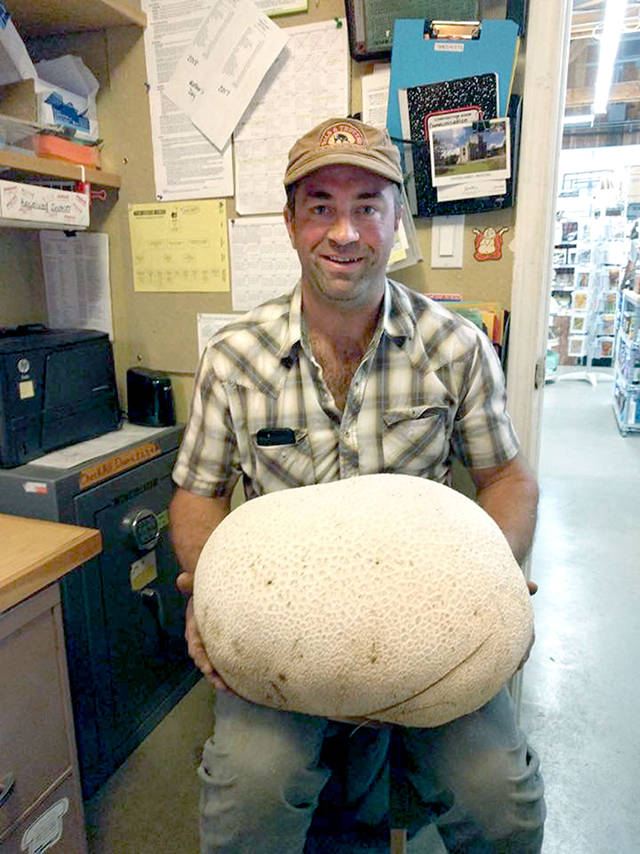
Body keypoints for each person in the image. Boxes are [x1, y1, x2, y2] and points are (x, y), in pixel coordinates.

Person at [170, 116, 546, 853]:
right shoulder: (233, 356)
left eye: (367, 206)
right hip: (288, 634)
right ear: (290, 222)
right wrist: (207, 591)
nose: (344, 232)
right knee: (249, 795)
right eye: (320, 207)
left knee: (500, 800)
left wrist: (492, 575)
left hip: (428, 633)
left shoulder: (456, 345)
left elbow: (507, 478)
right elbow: (197, 494)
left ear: (396, 220)